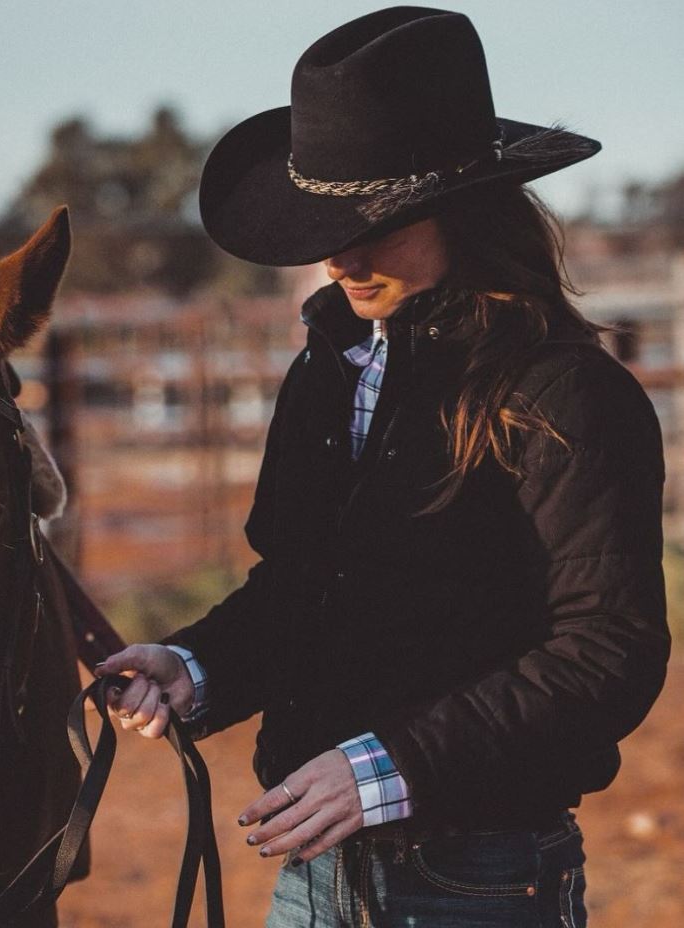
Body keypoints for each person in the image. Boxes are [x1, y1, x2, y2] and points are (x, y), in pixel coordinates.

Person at [96, 8, 669, 926]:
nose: (342, 256)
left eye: (382, 223)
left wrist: (391, 768)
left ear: (464, 208)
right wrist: (195, 667)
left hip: (483, 877)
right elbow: (297, 590)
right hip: (317, 874)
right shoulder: (325, 374)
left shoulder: (566, 395)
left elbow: (606, 649)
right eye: (330, 221)